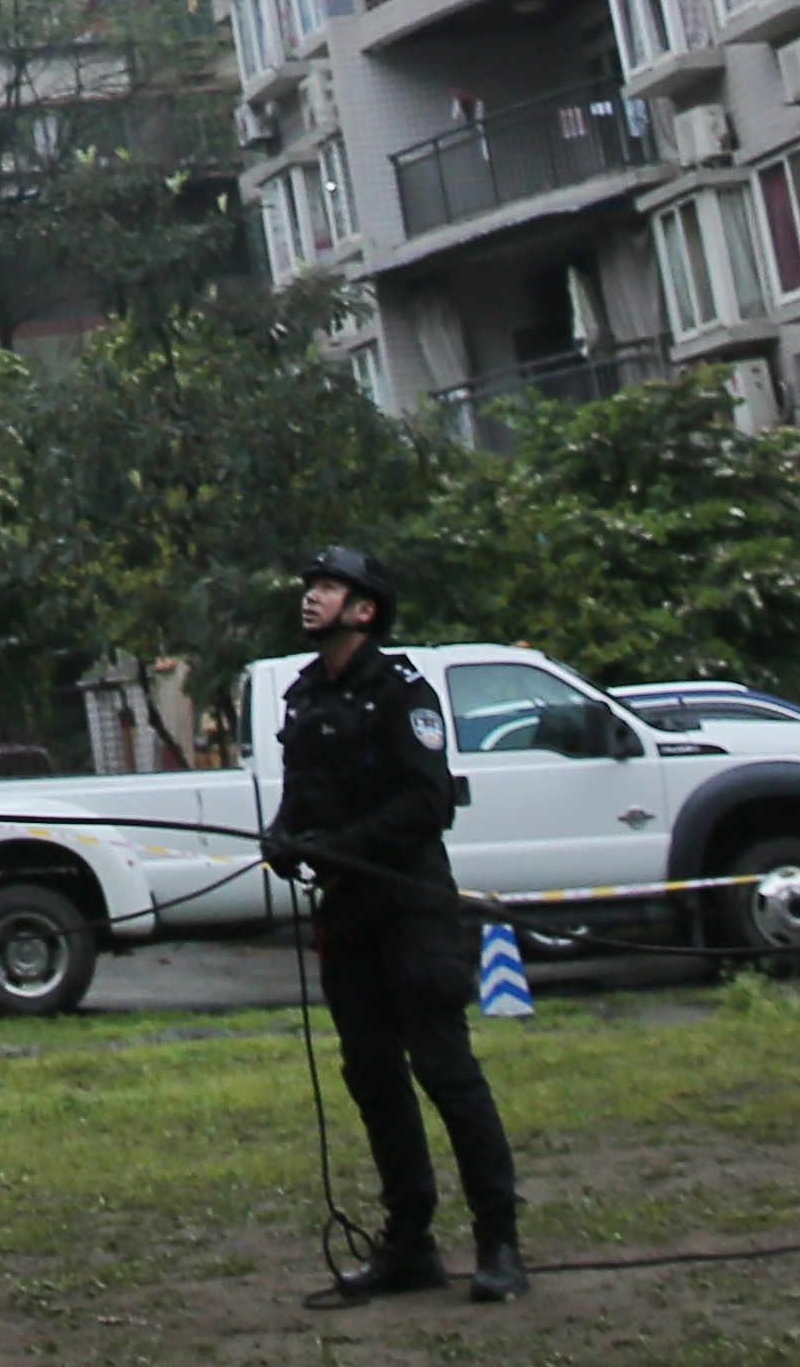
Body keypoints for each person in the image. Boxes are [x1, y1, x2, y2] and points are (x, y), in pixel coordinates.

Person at [263, 544, 522, 1307]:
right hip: (345, 913)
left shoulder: (402, 691)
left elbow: (427, 802)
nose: (311, 595)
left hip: (410, 905)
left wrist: (336, 846)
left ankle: (499, 1243)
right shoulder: (305, 695)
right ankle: (409, 1247)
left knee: (445, 1072)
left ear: (365, 609)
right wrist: (285, 837)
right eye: (310, 583)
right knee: (372, 1076)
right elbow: (303, 794)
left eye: (329, 586)